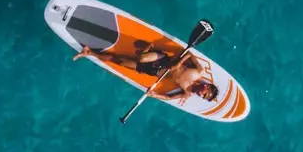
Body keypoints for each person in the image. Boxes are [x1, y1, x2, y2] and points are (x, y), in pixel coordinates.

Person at [74, 44, 220, 102]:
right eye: (204, 93)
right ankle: (150, 49)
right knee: (142, 57)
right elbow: (190, 54)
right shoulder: (198, 72)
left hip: (154, 71)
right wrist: (178, 64)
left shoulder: (187, 93)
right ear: (207, 87)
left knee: (121, 62)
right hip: (163, 60)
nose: (201, 94)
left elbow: (170, 97)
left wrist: (154, 94)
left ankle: (89, 52)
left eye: (203, 97)